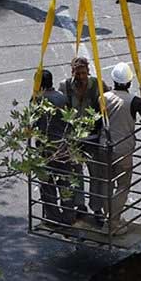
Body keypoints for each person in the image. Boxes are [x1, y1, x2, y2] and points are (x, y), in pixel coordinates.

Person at [98, 62, 141, 224]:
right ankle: (113, 221)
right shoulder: (134, 101)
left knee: (107, 183)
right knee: (123, 185)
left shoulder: (103, 98)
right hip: (123, 150)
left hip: (105, 147)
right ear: (129, 82)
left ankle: (108, 216)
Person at [59, 57, 106, 226]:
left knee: (96, 174)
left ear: (88, 72)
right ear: (72, 72)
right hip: (74, 139)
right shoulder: (65, 87)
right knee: (76, 173)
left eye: (84, 73)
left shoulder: (97, 85)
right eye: (78, 73)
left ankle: (97, 207)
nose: (81, 76)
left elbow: (107, 104)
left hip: (92, 138)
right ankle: (80, 205)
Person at [32, 69, 74, 222]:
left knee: (48, 183)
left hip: (46, 148)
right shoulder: (62, 98)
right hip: (63, 147)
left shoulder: (37, 100)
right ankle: (68, 214)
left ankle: (52, 216)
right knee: (65, 182)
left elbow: (33, 123)